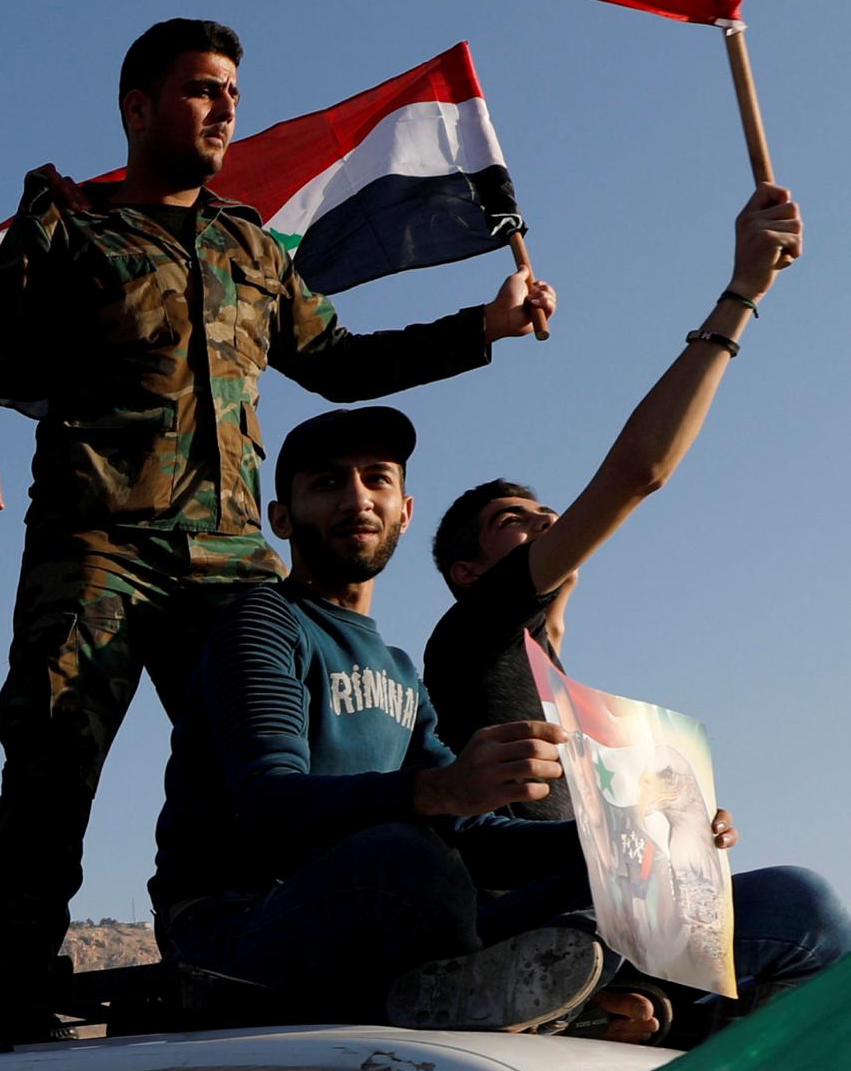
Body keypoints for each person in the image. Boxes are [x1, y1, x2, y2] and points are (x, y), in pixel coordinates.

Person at [0, 16, 556, 1031]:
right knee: (54, 756)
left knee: (269, 759)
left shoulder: (249, 246)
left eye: (231, 92)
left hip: (227, 556)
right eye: (199, 89)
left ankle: (281, 937)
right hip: (99, 544)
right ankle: (9, 990)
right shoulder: (72, 225)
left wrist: (478, 325)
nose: (223, 107)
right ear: (137, 107)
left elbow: (339, 361)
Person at [149, 405, 847, 1033]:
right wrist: (442, 793)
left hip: (422, 927)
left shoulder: (396, 669)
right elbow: (268, 801)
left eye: (376, 480)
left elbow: (473, 831)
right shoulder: (264, 623)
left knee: (801, 903)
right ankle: (547, 1002)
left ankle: (697, 1039)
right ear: (282, 518)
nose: (357, 499)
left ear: (404, 509)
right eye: (328, 484)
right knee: (410, 860)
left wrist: (640, 838)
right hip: (247, 928)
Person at [422, 181, 801, 797]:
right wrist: (742, 294)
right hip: (530, 894)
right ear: (468, 573)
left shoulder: (553, 682)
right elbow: (637, 473)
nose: (548, 521)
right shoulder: (473, 632)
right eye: (512, 520)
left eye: (548, 511)